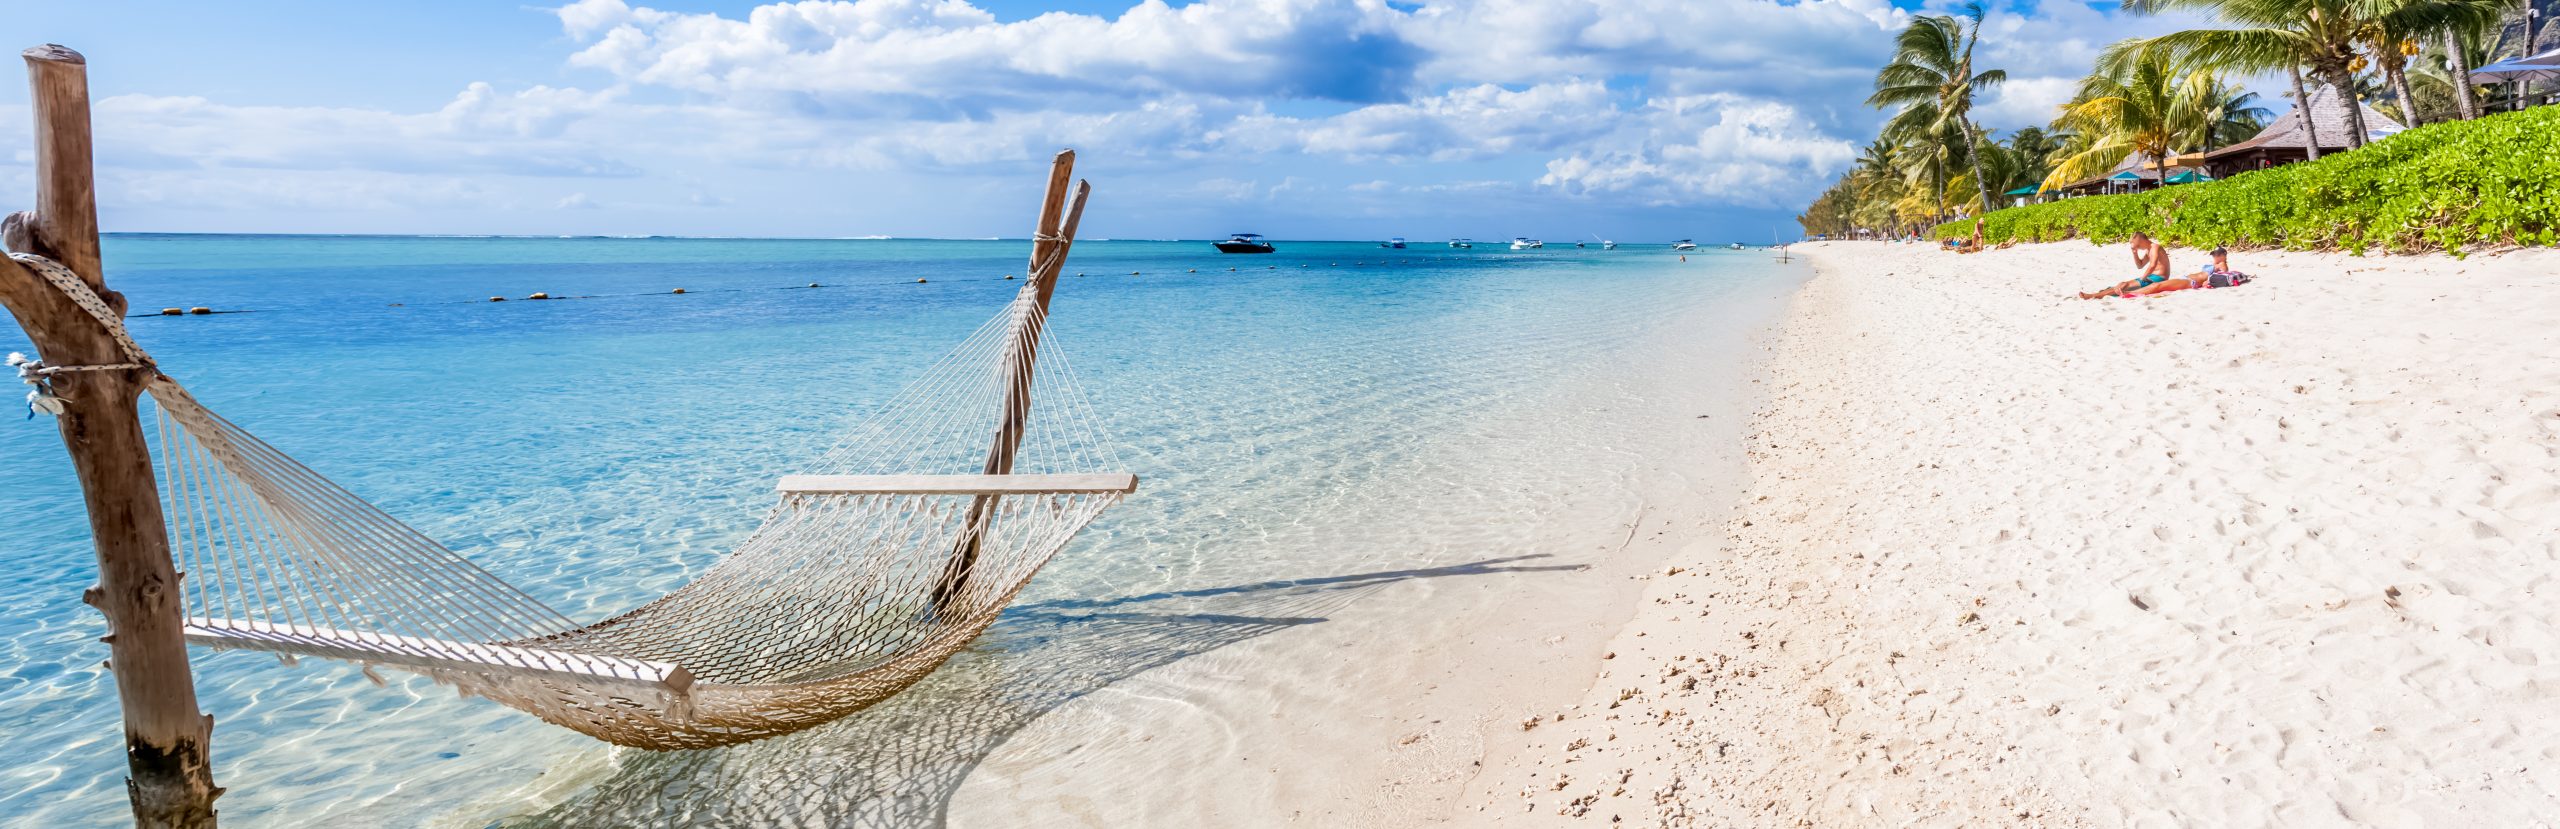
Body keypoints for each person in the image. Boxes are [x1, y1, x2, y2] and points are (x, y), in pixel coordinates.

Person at [2076, 232, 2172, 299]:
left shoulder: (2155, 247)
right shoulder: (2148, 250)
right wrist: (2135, 253)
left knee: (2124, 286)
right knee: (2123, 284)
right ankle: (2102, 293)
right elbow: (2140, 265)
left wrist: (2143, 277)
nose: (2137, 247)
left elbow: (2153, 265)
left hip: (2159, 278)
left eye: (2137, 245)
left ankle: (2093, 296)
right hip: (2151, 277)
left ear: (2142, 240)